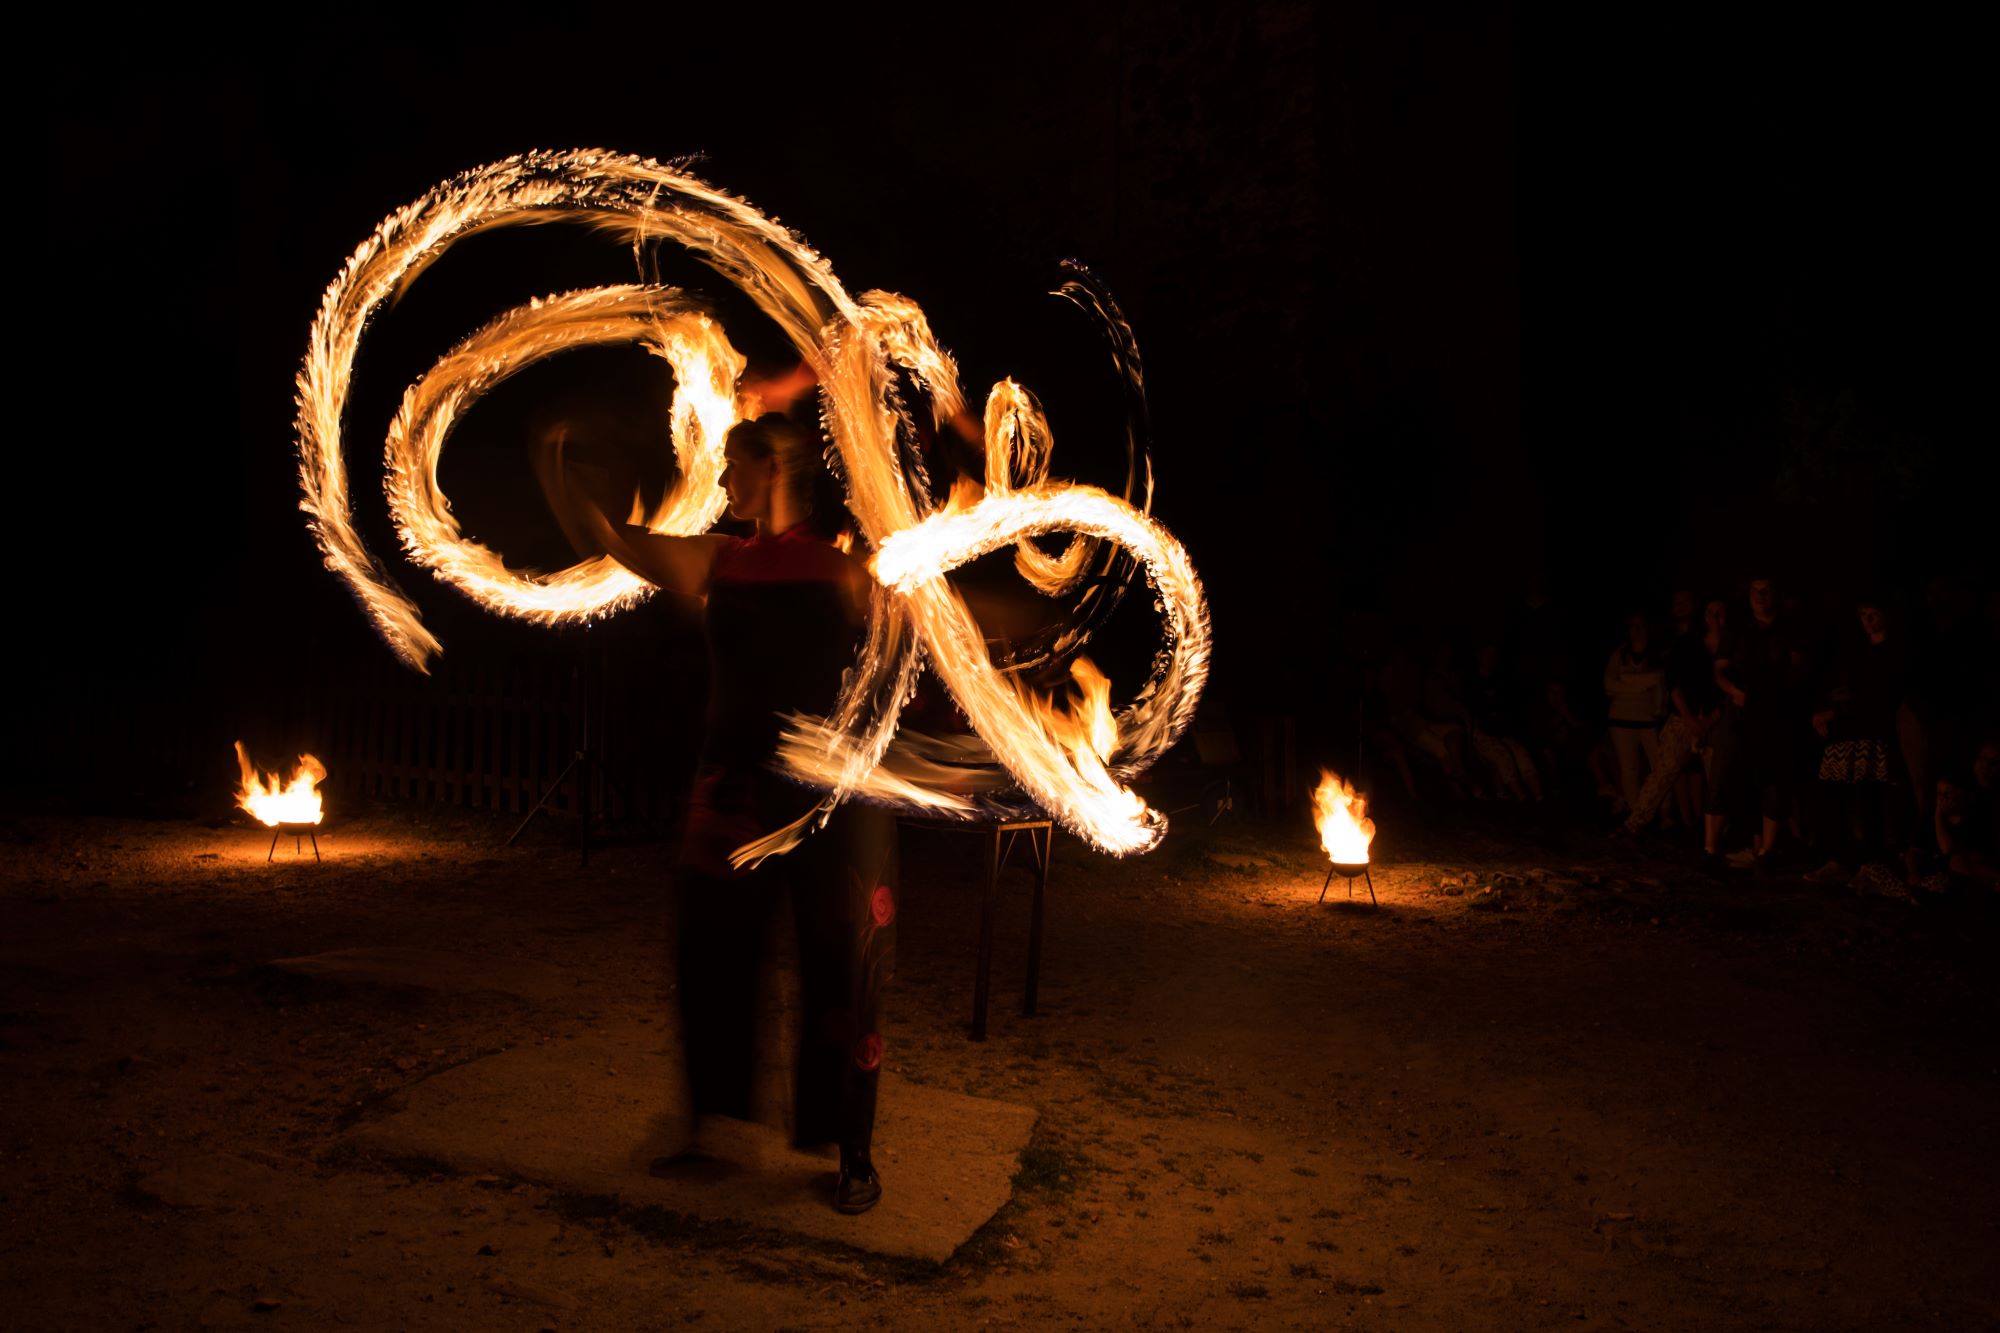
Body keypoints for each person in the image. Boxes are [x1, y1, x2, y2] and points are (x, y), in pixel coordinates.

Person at [539, 412, 895, 1215]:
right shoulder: (721, 560)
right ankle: (711, 1128)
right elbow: (618, 544)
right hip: (734, 792)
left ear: (773, 468)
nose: (722, 479)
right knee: (709, 953)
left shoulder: (843, 570)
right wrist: (564, 482)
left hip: (829, 801)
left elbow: (925, 627)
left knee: (843, 967)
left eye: (734, 464)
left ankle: (851, 1151)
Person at [1804, 593, 1907, 881]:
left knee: (1867, 799)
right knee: (1834, 794)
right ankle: (1839, 859)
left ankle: (1869, 864)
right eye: (1863, 614)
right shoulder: (1859, 652)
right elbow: (1847, 690)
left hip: (1874, 733)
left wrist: (1836, 713)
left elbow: (1879, 696)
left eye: (1873, 613)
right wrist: (1829, 712)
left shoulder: (1894, 653)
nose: (1868, 620)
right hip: (1848, 731)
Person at [1712, 575, 1807, 870]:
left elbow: (1798, 670)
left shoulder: (1790, 629)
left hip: (1776, 715)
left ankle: (1769, 850)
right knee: (1744, 779)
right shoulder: (1738, 629)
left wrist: (1774, 693)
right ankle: (1750, 844)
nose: (1760, 595)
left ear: (1775, 594)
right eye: (1756, 590)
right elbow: (1720, 671)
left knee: (1774, 780)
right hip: (1742, 715)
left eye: (1766, 590)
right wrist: (1733, 691)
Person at [1620, 598, 1724, 839]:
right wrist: (1689, 718)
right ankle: (1634, 824)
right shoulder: (1687, 644)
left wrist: (1709, 720)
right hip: (1683, 718)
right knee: (1662, 774)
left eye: (1720, 613)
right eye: (1711, 613)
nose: (1715, 618)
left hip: (1715, 721)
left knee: (1720, 779)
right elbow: (1673, 682)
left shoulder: (1732, 648)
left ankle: (1719, 832)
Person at [1603, 612, 1666, 817]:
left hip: (1648, 719)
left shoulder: (1656, 654)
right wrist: (1640, 687)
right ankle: (1635, 811)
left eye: (1641, 625)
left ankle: (1662, 810)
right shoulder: (1619, 655)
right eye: (1633, 626)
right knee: (1628, 768)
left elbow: (1658, 678)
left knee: (1659, 767)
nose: (1638, 630)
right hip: (1621, 719)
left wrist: (1626, 679)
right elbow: (1608, 684)